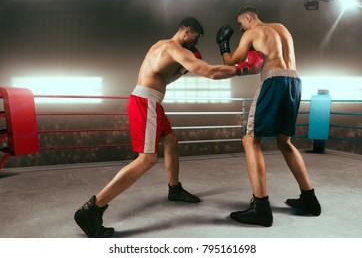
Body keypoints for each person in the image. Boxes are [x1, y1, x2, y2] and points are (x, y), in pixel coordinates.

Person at [74, 17, 249, 238]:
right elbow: (211, 72)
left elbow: (163, 79)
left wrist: (182, 71)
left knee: (171, 141)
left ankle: (174, 188)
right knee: (146, 160)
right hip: (145, 102)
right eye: (195, 38)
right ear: (186, 30)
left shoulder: (161, 45)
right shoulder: (176, 49)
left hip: (151, 101)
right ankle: (93, 209)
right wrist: (242, 69)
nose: (196, 44)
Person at [216, 6, 321, 227]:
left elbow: (230, 62)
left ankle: (261, 207)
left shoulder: (252, 33)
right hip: (294, 81)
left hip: (273, 81)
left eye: (240, 23)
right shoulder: (281, 28)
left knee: (250, 139)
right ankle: (309, 199)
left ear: (247, 17)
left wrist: (223, 45)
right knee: (285, 141)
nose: (241, 27)